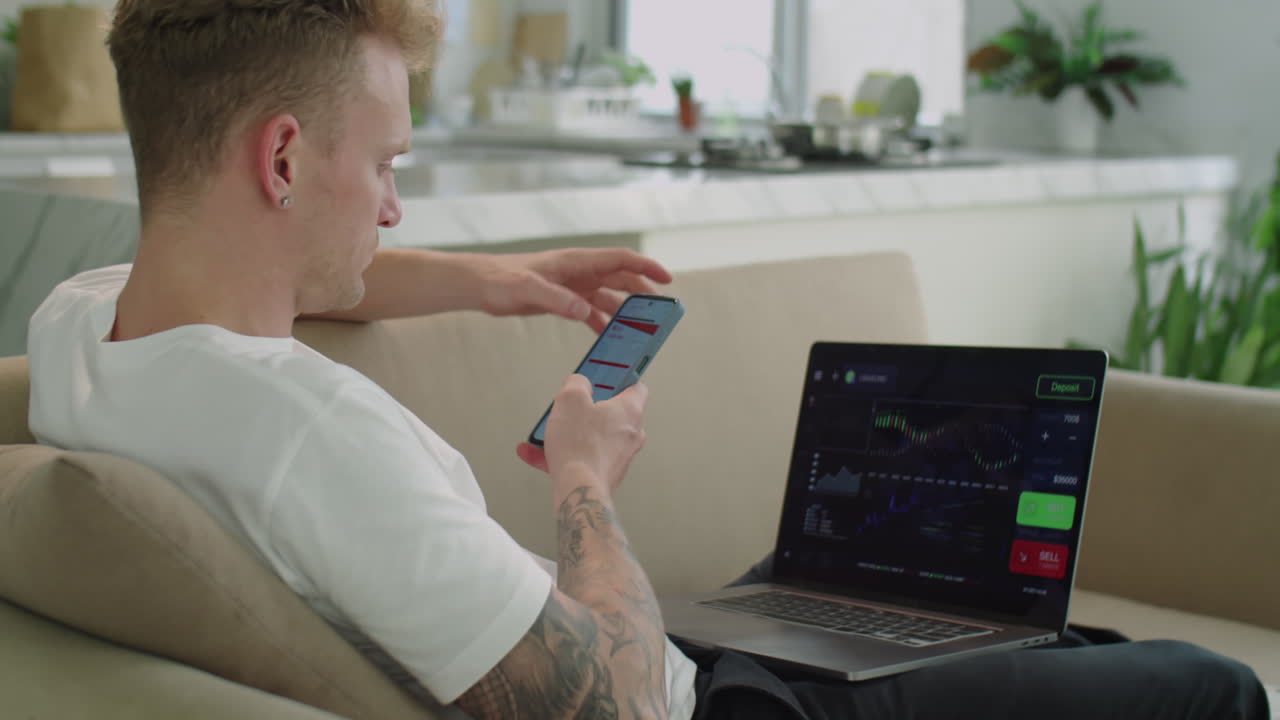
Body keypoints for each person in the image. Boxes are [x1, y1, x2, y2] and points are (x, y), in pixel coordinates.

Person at [24, 2, 1270, 719]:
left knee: (910, 562)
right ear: (284, 160)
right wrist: (583, 480)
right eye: (391, 165)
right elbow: (616, 706)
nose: (397, 212)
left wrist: (503, 281)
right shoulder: (311, 436)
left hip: (698, 652)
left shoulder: (83, 328)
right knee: (1206, 688)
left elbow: (278, 270)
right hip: (707, 711)